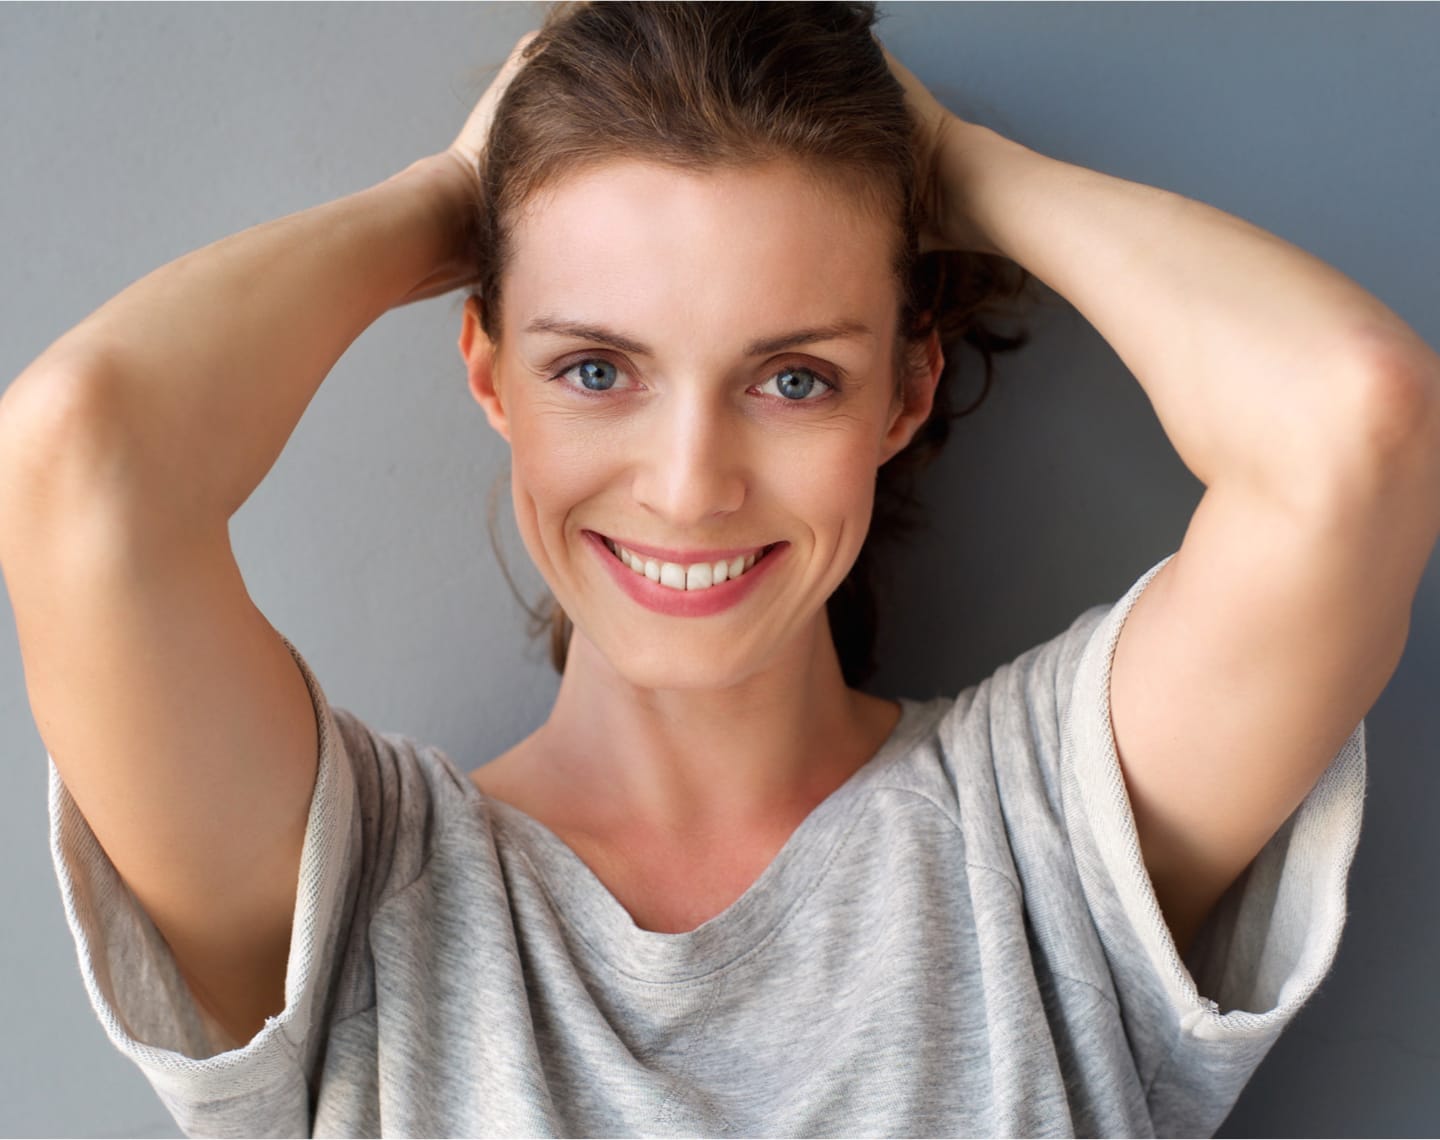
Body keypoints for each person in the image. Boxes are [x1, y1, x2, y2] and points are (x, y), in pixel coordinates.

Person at [2, 2, 1437, 1136]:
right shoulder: (359, 888)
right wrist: (453, 193)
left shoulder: (1048, 837)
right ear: (489, 374)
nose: (689, 487)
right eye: (596, 368)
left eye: (795, 377)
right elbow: (76, 455)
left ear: (906, 394)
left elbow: (1359, 423)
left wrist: (938, 165)